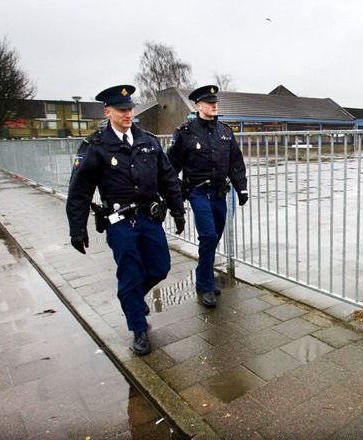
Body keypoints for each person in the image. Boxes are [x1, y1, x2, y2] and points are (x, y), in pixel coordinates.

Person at [66, 84, 185, 356]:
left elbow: (167, 178)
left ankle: (130, 298)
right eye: (122, 110)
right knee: (130, 274)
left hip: (150, 218)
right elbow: (80, 190)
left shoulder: (148, 140)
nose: (128, 114)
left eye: (130, 109)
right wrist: (77, 228)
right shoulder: (95, 146)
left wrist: (178, 210)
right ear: (108, 111)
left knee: (160, 267)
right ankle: (138, 329)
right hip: (120, 223)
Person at [167, 85, 248, 308]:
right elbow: (170, 166)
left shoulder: (225, 131)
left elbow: (235, 162)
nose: (214, 105)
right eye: (209, 102)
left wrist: (242, 188)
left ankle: (204, 274)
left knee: (214, 237)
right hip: (198, 191)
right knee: (209, 236)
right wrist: (171, 194)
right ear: (198, 106)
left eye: (215, 102)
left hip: (220, 193)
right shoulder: (185, 132)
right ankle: (204, 284)